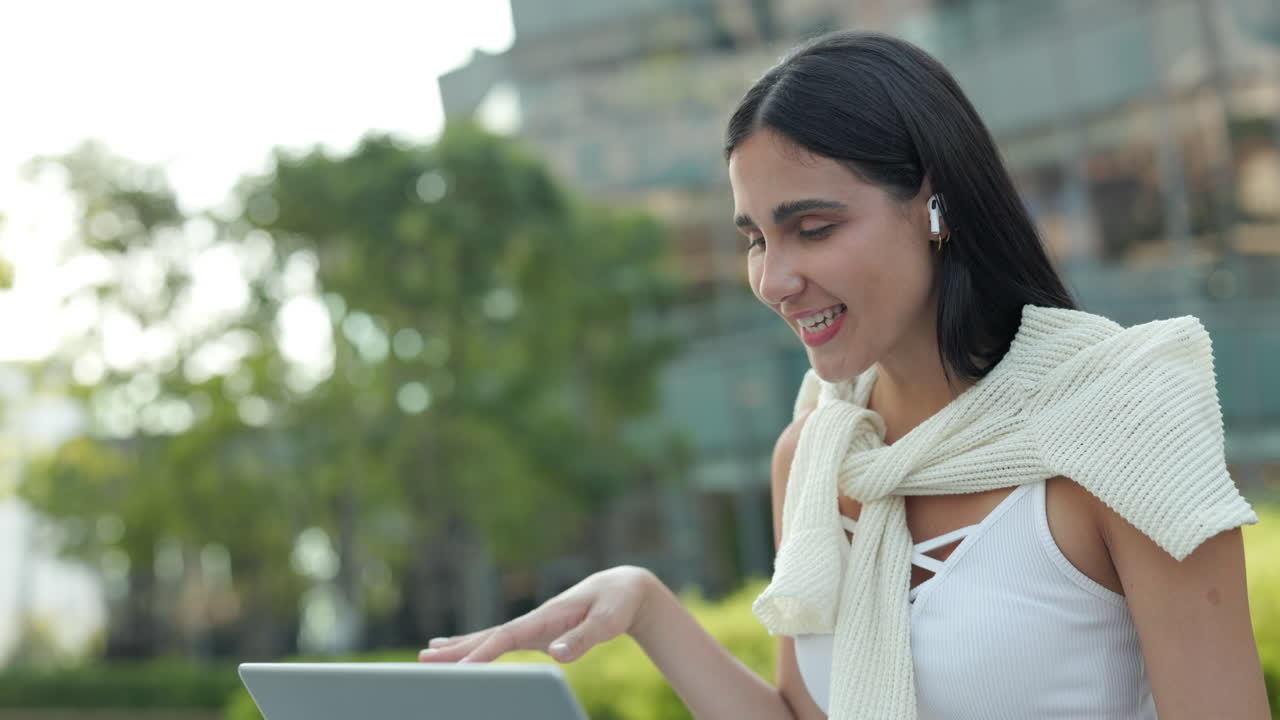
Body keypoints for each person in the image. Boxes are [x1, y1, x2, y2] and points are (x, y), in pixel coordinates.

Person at [417, 30, 1272, 719]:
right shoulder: (817, 456)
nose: (773, 279)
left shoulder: (1114, 424)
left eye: (813, 227)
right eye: (755, 237)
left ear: (936, 208)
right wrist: (645, 607)